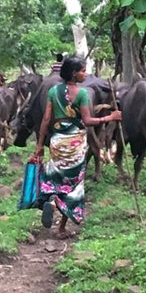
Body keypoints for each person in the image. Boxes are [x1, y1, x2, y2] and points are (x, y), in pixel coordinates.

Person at [33, 56, 120, 238]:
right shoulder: (81, 94)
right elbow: (88, 121)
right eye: (82, 71)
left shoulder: (53, 92)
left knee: (56, 176)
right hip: (76, 143)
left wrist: (40, 145)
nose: (85, 74)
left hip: (57, 142)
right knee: (73, 185)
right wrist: (109, 118)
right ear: (74, 73)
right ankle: (62, 227)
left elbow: (46, 120)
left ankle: (51, 200)